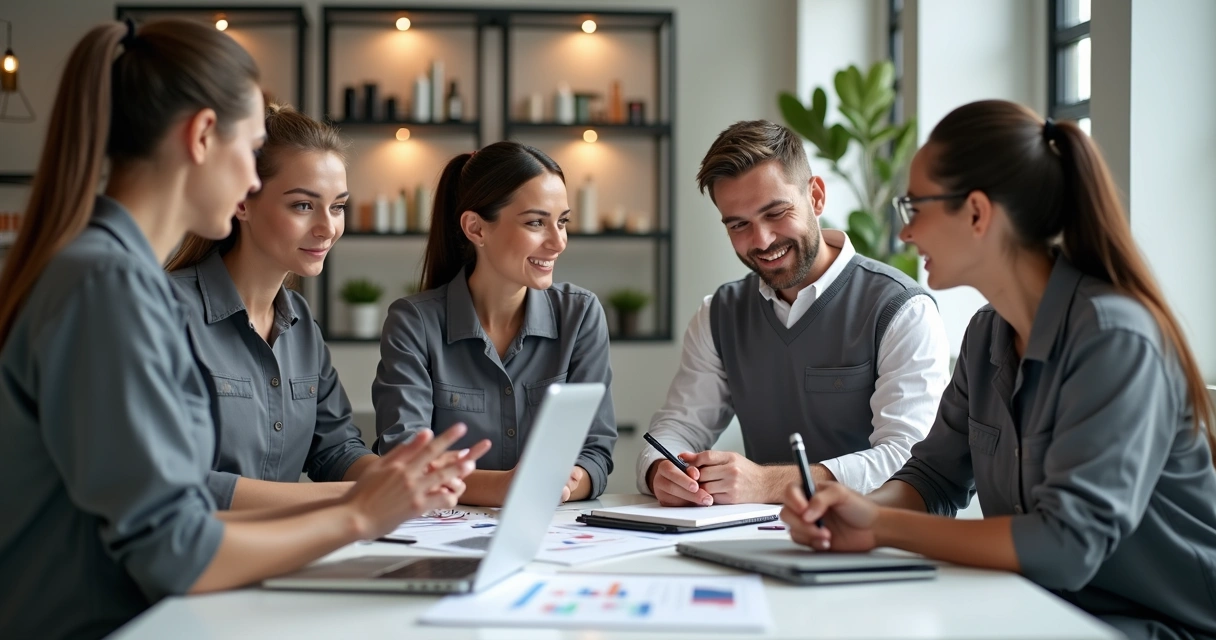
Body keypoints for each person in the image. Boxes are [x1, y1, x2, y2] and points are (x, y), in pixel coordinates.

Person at [0, 20, 484, 639]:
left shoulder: (112, 275)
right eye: (252, 149)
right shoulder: (110, 286)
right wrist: (358, 514)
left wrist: (374, 499)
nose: (252, 182)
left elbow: (180, 521)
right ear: (203, 136)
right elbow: (177, 550)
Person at [781, 100, 1216, 640]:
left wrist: (880, 527)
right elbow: (935, 477)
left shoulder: (1114, 338)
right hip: (1036, 610)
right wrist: (853, 510)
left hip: (1154, 627)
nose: (904, 234)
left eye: (914, 208)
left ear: (978, 213)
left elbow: (1065, 546)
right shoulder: (988, 333)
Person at [167, 104, 474, 510]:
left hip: (285, 552)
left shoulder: (299, 322)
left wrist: (405, 477)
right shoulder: (167, 311)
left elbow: (335, 447)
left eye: (338, 206)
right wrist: (358, 495)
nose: (328, 228)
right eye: (302, 205)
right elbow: (180, 483)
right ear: (241, 202)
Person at [638, 120, 950, 506]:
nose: (762, 240)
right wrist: (661, 471)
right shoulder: (718, 314)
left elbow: (909, 461)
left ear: (816, 196)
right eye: (739, 225)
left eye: (775, 213)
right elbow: (677, 427)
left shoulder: (903, 309)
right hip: (758, 543)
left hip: (879, 546)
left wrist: (770, 484)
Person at [372, 141, 617, 507]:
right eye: (536, 222)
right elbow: (405, 459)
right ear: (476, 228)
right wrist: (508, 487)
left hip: (552, 531)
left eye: (562, 221)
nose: (558, 242)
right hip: (439, 536)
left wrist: (567, 483)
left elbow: (595, 450)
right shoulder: (414, 323)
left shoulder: (580, 315)